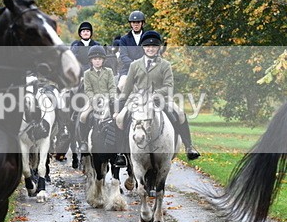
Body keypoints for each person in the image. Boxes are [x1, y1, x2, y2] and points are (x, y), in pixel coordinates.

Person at [114, 30, 200, 163]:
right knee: (120, 119)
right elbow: (128, 88)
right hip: (139, 100)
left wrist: (156, 94)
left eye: (153, 47)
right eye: (148, 46)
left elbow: (169, 86)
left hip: (160, 99)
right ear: (143, 47)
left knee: (180, 113)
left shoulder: (165, 65)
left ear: (158, 48)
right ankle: (120, 152)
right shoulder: (134, 65)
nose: (150, 49)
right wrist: (119, 106)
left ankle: (189, 147)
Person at [76, 45, 117, 153]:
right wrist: (93, 99)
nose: (97, 61)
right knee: (83, 117)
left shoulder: (109, 71)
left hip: (108, 99)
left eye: (99, 59)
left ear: (103, 60)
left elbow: (112, 86)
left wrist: (112, 98)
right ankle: (84, 142)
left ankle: (119, 144)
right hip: (93, 100)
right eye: (95, 59)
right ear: (91, 60)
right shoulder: (87, 73)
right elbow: (88, 89)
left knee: (116, 117)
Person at [117, 11, 146, 91]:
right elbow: (123, 56)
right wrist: (135, 64)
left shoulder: (147, 37)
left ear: (142, 23)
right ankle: (119, 103)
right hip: (128, 70)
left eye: (138, 22)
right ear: (130, 24)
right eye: (133, 22)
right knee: (121, 85)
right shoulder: (124, 39)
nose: (136, 24)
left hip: (145, 69)